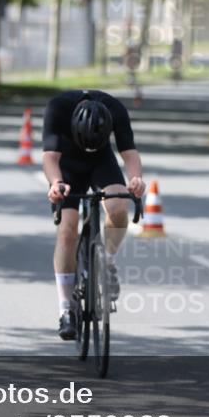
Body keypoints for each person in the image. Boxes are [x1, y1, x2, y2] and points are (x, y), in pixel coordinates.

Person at [42, 90, 146, 340]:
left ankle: (106, 262)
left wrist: (136, 180)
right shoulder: (58, 107)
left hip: (101, 161)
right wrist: (56, 183)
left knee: (119, 207)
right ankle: (66, 308)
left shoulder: (115, 109)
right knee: (67, 231)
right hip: (67, 164)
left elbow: (129, 153)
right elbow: (49, 157)